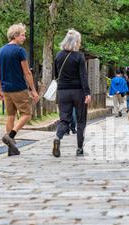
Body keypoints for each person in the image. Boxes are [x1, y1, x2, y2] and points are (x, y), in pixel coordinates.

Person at [0, 23, 40, 156]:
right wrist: (33, 90)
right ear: (15, 36)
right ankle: (11, 135)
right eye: (22, 35)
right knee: (26, 114)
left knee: (11, 115)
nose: (24, 37)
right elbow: (27, 72)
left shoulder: (1, 50)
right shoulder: (20, 51)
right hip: (19, 88)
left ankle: (11, 149)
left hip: (6, 89)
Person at [52, 29, 91, 158]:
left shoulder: (58, 55)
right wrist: (87, 93)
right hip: (78, 91)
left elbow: (56, 75)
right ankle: (79, 148)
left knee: (64, 119)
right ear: (76, 42)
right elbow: (83, 76)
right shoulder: (79, 56)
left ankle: (58, 137)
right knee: (80, 120)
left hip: (63, 91)